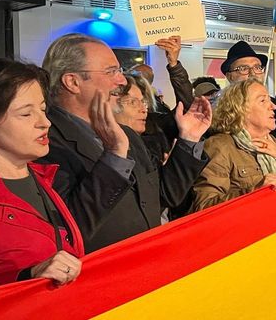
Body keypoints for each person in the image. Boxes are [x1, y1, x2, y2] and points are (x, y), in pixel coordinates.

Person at [40, 33, 210, 252]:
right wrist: (114, 156)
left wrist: (189, 139)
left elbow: (164, 196)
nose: (121, 80)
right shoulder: (45, 143)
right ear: (73, 82)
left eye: (119, 71)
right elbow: (71, 226)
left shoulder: (127, 134)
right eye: (111, 71)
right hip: (104, 270)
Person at [0, 58, 83, 286]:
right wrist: (27, 277)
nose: (45, 123)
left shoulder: (40, 177)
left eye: (43, 110)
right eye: (26, 114)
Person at [192, 78, 276, 211]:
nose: (273, 106)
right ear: (240, 108)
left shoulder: (272, 141)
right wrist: (255, 191)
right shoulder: (220, 146)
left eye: (269, 99)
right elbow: (204, 206)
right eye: (263, 101)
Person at [220, 41, 276, 145]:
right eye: (243, 69)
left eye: (257, 67)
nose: (252, 73)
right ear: (229, 76)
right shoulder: (219, 111)